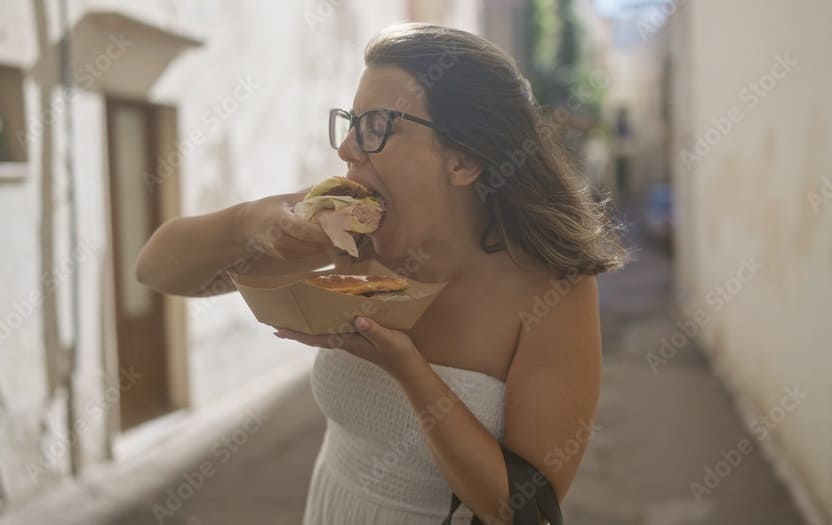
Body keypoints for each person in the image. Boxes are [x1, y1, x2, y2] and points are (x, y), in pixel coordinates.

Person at [137, 22, 629, 525]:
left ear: (463, 160)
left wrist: (408, 370)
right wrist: (248, 224)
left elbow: (525, 511)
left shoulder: (552, 288)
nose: (347, 148)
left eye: (376, 126)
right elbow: (156, 268)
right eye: (351, 123)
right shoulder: (352, 230)